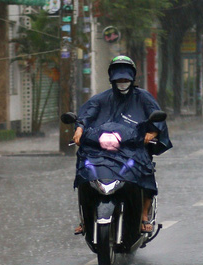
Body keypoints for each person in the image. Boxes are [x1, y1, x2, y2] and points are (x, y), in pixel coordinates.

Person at [72, 55, 172, 234]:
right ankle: (85, 217)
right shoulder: (101, 99)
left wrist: (153, 133)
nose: (122, 82)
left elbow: (156, 116)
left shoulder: (143, 98)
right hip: (101, 150)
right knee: (85, 171)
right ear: (112, 79)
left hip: (132, 148)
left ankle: (143, 214)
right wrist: (79, 129)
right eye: (119, 79)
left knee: (145, 171)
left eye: (126, 79)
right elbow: (87, 115)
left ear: (132, 78)